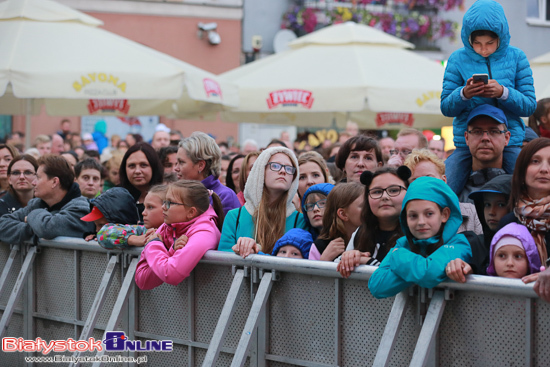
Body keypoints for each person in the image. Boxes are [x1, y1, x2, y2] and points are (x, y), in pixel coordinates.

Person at [440, 0, 536, 196]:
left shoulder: (517, 57)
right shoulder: (457, 59)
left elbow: (529, 106)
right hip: (467, 143)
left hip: (509, 141)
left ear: (501, 38)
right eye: (477, 43)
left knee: (530, 189)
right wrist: (464, 94)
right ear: (468, 40)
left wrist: (503, 93)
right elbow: (446, 107)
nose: (484, 49)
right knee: (443, 192)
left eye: (490, 43)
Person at [368, 176, 471, 299]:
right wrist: (422, 266)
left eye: (429, 214)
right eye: (413, 216)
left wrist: (398, 257)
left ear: (444, 214)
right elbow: (377, 286)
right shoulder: (403, 244)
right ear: (405, 218)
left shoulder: (459, 244)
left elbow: (429, 275)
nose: (421, 222)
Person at [134, 180, 224, 290]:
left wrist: (153, 245)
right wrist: (171, 252)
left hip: (212, 301)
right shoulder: (167, 225)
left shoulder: (204, 232)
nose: (163, 207)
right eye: (164, 202)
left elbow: (171, 274)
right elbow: (142, 280)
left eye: (169, 203)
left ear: (191, 212)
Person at [219, 147, 306, 256]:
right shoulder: (234, 217)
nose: (283, 171)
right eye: (275, 166)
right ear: (260, 171)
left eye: (289, 168)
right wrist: (240, 249)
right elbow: (222, 260)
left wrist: (255, 251)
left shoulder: (300, 221)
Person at [0, 155, 95, 243]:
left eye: (38, 177)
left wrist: (31, 217)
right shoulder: (37, 203)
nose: (33, 182)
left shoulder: (81, 209)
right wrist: (34, 227)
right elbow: (2, 225)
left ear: (54, 182)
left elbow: (48, 229)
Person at [337, 167, 408, 277]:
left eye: (394, 190)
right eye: (377, 192)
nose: (385, 197)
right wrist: (349, 257)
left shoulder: (416, 234)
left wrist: (367, 262)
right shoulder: (360, 232)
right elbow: (337, 269)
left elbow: (396, 278)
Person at [404, 149, 483, 235]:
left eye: (429, 178)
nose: (424, 185)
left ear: (444, 180)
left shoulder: (471, 212)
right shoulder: (404, 217)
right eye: (415, 181)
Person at [175, 132, 240, 214]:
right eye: (176, 162)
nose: (175, 168)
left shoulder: (224, 196)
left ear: (200, 165)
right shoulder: (178, 193)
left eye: (181, 162)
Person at [457, 105, 510, 203]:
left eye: (494, 131)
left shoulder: (521, 188)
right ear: (467, 138)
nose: (485, 138)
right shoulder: (451, 187)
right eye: (477, 131)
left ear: (506, 138)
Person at [97, 185, 167, 249]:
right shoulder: (145, 231)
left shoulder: (177, 236)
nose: (143, 213)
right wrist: (134, 239)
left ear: (168, 208)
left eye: (150, 207)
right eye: (144, 207)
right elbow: (104, 232)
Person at [312, 182, 363, 262]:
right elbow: (311, 274)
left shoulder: (373, 238)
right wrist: (324, 260)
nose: (369, 210)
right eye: (363, 206)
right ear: (343, 214)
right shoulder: (321, 245)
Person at [119, 142, 164, 222]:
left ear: (154, 167)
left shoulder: (168, 196)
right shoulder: (115, 198)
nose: (137, 171)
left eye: (143, 165)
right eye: (132, 166)